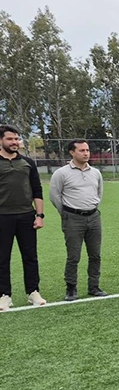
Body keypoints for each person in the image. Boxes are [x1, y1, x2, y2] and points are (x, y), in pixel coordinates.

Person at [49, 139, 106, 300]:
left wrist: (92, 207)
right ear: (72, 152)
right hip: (72, 218)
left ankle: (94, 286)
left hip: (93, 217)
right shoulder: (61, 173)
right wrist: (67, 212)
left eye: (87, 150)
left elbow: (98, 193)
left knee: (95, 255)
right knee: (73, 256)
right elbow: (54, 196)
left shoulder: (95, 173)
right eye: (81, 150)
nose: (86, 153)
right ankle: (71, 289)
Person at [0, 125, 46, 310]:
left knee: (30, 256)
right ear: (1, 140)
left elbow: (37, 190)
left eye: (17, 139)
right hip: (3, 217)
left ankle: (33, 292)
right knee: (2, 258)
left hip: (26, 216)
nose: (14, 142)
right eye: (10, 139)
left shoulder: (27, 162)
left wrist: (39, 215)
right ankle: (4, 295)